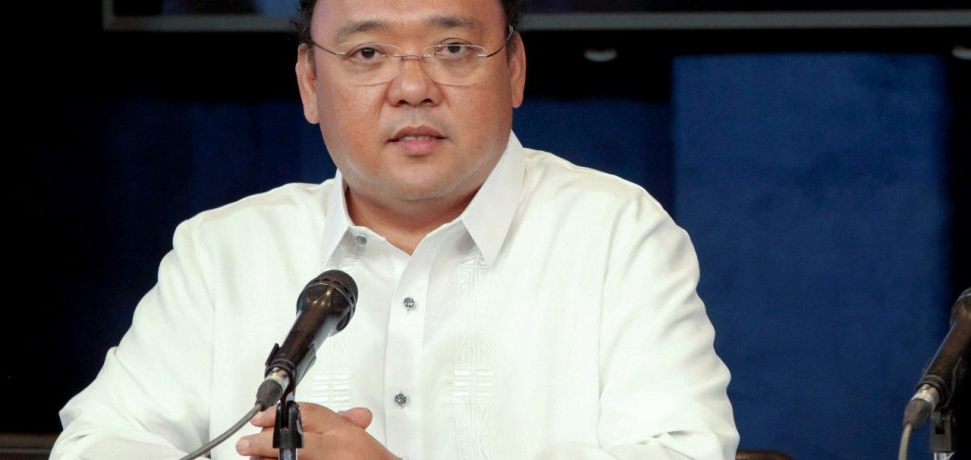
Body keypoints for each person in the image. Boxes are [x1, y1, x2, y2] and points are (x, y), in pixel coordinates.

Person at [51, 0, 739, 458]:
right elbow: (100, 446)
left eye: (453, 47)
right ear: (310, 82)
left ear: (515, 70)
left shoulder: (615, 237)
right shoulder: (225, 251)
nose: (412, 88)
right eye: (367, 54)